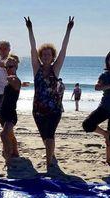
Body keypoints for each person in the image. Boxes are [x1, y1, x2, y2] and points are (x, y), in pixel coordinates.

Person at [25, 16, 75, 169]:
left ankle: (49, 165)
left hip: (54, 109)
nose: (46, 57)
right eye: (44, 54)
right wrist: (30, 29)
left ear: (53, 57)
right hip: (38, 109)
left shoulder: (55, 69)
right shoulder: (36, 69)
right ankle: (51, 155)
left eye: (49, 55)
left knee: (50, 134)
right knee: (45, 137)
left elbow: (64, 50)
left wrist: (68, 30)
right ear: (41, 57)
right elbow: (32, 49)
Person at [0, 55, 21, 166]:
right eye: (7, 67)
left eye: (11, 66)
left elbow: (14, 82)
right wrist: (5, 65)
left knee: (4, 135)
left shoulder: (16, 80)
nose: (8, 69)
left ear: (16, 66)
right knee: (10, 135)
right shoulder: (10, 79)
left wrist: (8, 72)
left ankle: (8, 160)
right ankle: (15, 152)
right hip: (4, 113)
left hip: (10, 115)